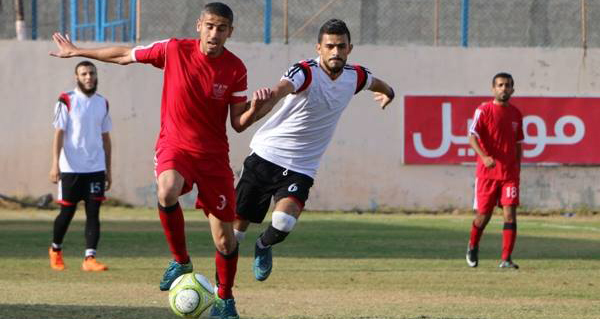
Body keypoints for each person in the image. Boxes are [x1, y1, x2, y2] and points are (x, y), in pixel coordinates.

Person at [49, 3, 269, 318]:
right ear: (199, 25)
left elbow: (238, 123)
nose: (215, 33)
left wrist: (258, 108)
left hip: (213, 157)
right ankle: (180, 260)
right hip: (175, 145)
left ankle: (226, 299)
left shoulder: (236, 68)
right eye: (210, 26)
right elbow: (125, 55)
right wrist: (78, 51)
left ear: (230, 32)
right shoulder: (173, 50)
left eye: (222, 28)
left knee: (224, 240)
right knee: (166, 190)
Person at [231, 19, 395, 282]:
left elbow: (377, 84)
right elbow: (278, 91)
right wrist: (255, 108)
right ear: (318, 48)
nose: (336, 52)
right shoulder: (304, 72)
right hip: (266, 155)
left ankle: (263, 245)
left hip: (301, 167)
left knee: (284, 222)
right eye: (330, 46)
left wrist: (390, 93)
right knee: (235, 235)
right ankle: (222, 290)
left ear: (349, 48)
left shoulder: (355, 77)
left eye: (341, 46)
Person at [48, 60, 112, 272]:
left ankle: (90, 258)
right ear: (77, 77)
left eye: (91, 73)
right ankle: (55, 249)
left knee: (93, 212)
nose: (88, 77)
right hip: (70, 168)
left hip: (95, 168)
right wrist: (54, 165)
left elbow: (106, 138)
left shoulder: (103, 102)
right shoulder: (66, 99)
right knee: (67, 212)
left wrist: (108, 170)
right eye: (84, 73)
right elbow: (59, 133)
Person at [466, 72, 523, 269]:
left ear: (512, 89)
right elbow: (472, 136)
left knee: (510, 214)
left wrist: (517, 168)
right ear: (493, 89)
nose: (504, 88)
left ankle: (506, 259)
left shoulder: (516, 114)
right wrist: (483, 156)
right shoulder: (483, 110)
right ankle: (473, 244)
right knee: (484, 216)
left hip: (509, 175)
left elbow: (518, 144)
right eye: (500, 85)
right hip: (487, 173)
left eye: (507, 85)